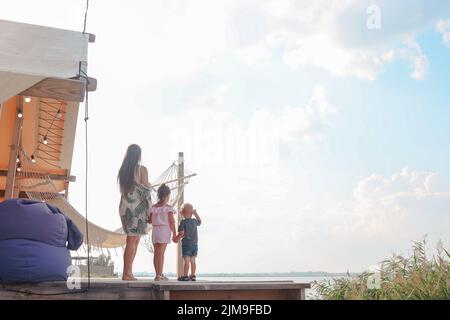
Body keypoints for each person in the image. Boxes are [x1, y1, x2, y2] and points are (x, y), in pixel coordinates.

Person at [118, 144, 152, 281]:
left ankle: (128, 272)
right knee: (133, 240)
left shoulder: (123, 171)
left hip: (125, 207)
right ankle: (127, 273)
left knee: (132, 239)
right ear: (139, 155)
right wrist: (150, 211)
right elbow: (145, 193)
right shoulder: (142, 169)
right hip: (138, 208)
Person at [148, 184, 177, 281]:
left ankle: (158, 274)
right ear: (167, 196)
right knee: (161, 253)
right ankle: (160, 275)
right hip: (164, 230)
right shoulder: (168, 208)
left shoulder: (153, 208)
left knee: (156, 253)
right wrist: (175, 234)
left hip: (155, 231)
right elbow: (171, 222)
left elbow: (150, 221)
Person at [176, 203, 201, 281]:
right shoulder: (194, 221)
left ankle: (185, 276)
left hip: (186, 244)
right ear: (191, 213)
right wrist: (195, 214)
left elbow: (181, 233)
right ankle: (193, 275)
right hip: (194, 244)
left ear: (182, 213)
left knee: (186, 261)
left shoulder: (183, 222)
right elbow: (200, 221)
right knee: (193, 261)